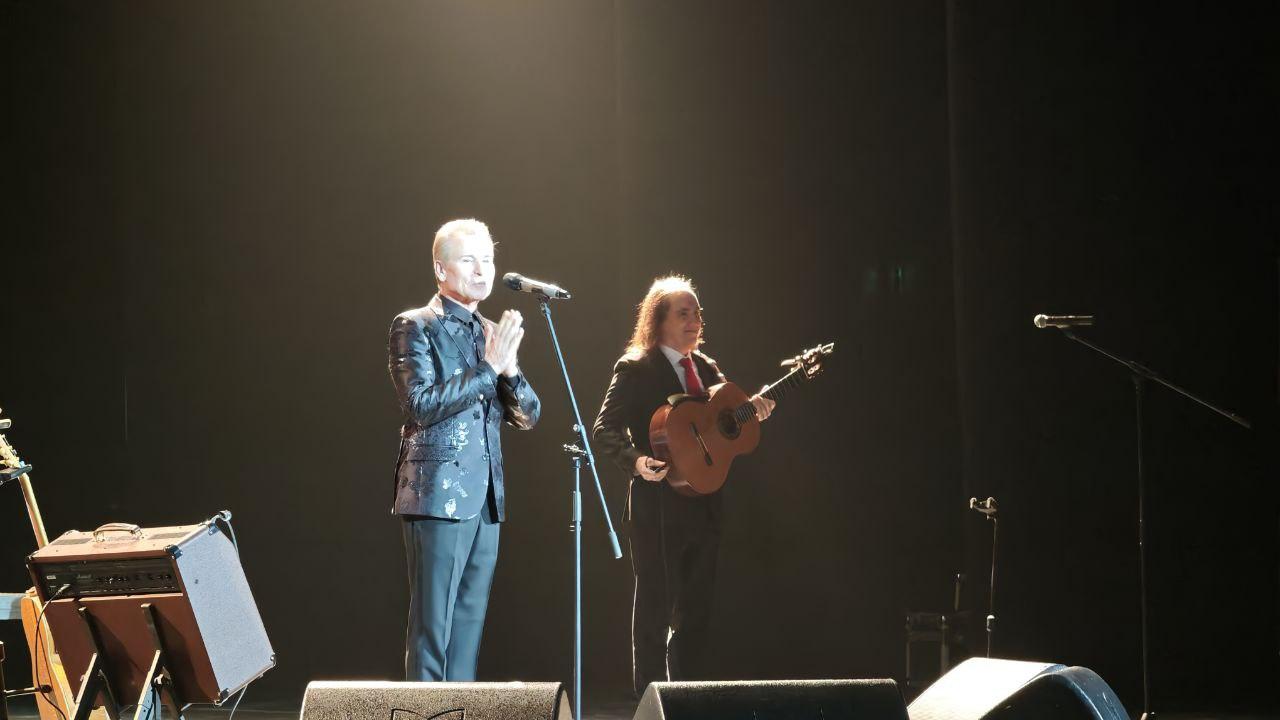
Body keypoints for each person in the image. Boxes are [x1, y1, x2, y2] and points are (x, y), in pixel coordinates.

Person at [592, 275, 773, 696]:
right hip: (657, 505)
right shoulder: (636, 368)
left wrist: (755, 410)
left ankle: (687, 701)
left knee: (697, 613)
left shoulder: (707, 368)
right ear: (659, 321)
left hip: (704, 503)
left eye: (698, 313)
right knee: (654, 611)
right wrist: (636, 462)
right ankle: (650, 704)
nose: (695, 321)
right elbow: (604, 429)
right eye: (684, 313)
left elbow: (724, 424)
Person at [387, 218, 541, 681]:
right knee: (433, 628)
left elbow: (528, 415)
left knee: (469, 626)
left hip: (486, 498)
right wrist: (489, 368)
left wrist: (509, 371)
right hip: (437, 494)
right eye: (469, 260)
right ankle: (426, 711)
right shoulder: (416, 325)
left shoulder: (490, 332)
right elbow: (420, 404)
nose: (482, 270)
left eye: (488, 260)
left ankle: (461, 708)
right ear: (441, 268)